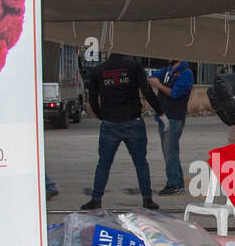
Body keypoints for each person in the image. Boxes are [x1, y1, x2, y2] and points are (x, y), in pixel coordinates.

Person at [81, 54, 161, 211]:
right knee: (140, 163)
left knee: (104, 163)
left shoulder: (99, 70)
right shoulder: (134, 67)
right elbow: (146, 90)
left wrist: (100, 114)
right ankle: (147, 199)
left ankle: (96, 199)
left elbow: (92, 98)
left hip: (110, 122)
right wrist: (160, 111)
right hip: (132, 120)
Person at [148, 59, 194, 195]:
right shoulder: (166, 70)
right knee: (169, 151)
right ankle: (177, 182)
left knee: (170, 152)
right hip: (163, 116)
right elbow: (151, 77)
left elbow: (175, 93)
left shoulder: (186, 73)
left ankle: (173, 183)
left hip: (174, 116)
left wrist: (159, 85)